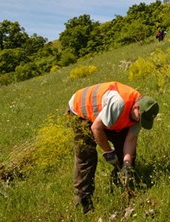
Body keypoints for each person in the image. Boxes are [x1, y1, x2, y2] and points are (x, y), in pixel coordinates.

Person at [66, 81, 159, 213]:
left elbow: (131, 140)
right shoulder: (119, 104)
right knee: (87, 155)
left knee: (124, 152)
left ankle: (122, 186)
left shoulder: (141, 115)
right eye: (140, 118)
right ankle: (83, 203)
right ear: (136, 107)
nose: (139, 122)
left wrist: (127, 164)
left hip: (105, 115)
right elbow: (96, 128)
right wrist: (108, 153)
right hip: (80, 111)